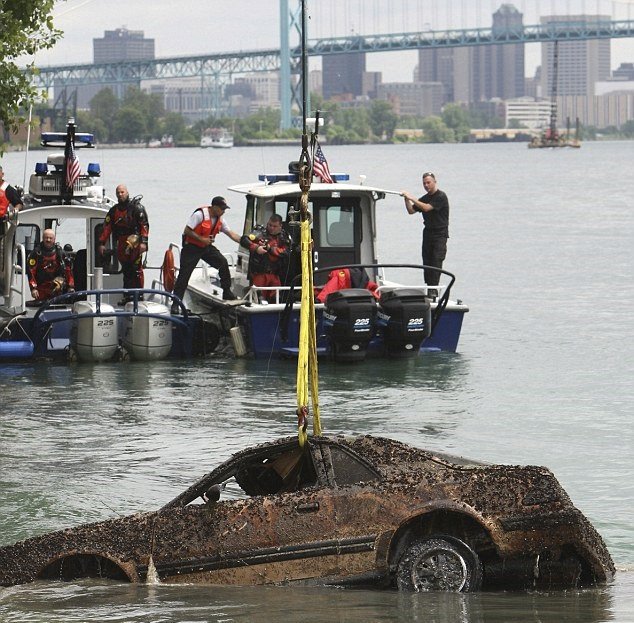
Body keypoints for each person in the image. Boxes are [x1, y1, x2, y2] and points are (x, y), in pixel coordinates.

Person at [171, 196, 241, 314]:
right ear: (214, 207)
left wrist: (245, 241)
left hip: (206, 247)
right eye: (221, 209)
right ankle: (176, 303)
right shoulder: (200, 215)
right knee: (184, 276)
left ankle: (227, 292)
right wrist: (201, 239)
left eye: (224, 209)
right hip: (191, 248)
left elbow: (230, 233)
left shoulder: (220, 219)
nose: (223, 211)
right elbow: (187, 230)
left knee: (222, 262)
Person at [97, 184, 149, 298]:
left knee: (136, 269)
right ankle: (127, 295)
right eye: (118, 193)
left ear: (127, 192)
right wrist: (101, 243)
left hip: (135, 241)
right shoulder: (113, 211)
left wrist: (143, 243)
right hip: (121, 242)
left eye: (122, 192)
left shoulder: (137, 208)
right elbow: (107, 227)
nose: (120, 195)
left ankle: (138, 295)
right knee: (126, 270)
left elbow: (144, 225)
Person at [402, 172, 449, 287]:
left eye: (428, 183)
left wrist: (411, 197)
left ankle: (434, 288)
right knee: (427, 261)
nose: (426, 185)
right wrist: (406, 199)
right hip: (428, 233)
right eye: (424, 183)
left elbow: (426, 208)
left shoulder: (440, 196)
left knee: (436, 260)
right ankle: (428, 286)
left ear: (434, 182)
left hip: (440, 234)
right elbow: (411, 211)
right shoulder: (425, 198)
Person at [240, 214, 291, 302]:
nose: (271, 228)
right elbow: (244, 240)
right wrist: (256, 248)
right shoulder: (259, 233)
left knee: (276, 299)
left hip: (275, 274)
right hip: (260, 274)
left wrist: (270, 249)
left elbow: (285, 252)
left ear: (280, 226)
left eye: (275, 226)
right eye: (270, 225)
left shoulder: (284, 237)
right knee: (258, 298)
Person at [27, 229, 75, 302]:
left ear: (54, 239)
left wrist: (70, 286)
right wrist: (33, 288)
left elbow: (68, 270)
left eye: (50, 238)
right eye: (46, 238)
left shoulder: (60, 253)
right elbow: (31, 272)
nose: (48, 240)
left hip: (57, 287)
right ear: (43, 238)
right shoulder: (36, 253)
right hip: (41, 289)